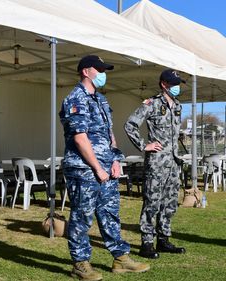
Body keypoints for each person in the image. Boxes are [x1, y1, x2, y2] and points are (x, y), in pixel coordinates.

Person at [59, 55, 150, 280]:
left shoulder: (100, 100)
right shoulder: (75, 99)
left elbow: (110, 134)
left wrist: (115, 160)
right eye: (99, 70)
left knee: (110, 213)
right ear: (86, 71)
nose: (103, 74)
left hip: (107, 168)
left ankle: (120, 258)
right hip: (84, 169)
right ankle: (80, 264)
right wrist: (98, 168)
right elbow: (80, 138)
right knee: (82, 216)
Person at [124, 69, 187, 259]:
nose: (177, 87)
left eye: (178, 83)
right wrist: (144, 145)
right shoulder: (151, 104)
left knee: (169, 203)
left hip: (173, 162)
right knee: (152, 202)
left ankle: (164, 239)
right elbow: (130, 124)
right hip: (157, 162)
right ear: (163, 84)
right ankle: (147, 243)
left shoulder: (177, 105)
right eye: (173, 83)